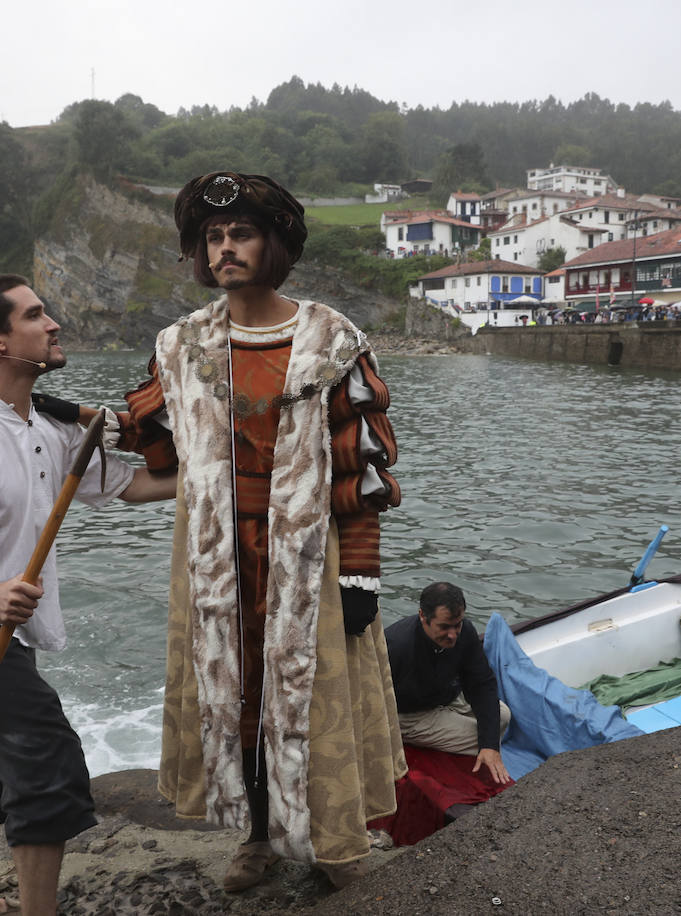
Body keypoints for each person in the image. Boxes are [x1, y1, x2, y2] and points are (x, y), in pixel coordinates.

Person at [116, 171, 407, 892]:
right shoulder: (180, 345)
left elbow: (357, 468)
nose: (225, 248)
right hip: (215, 559)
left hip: (310, 557)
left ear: (274, 243)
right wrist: (94, 431)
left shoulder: (332, 339)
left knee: (320, 699)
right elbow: (164, 457)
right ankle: (255, 837)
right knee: (234, 699)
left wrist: (361, 571)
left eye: (241, 233)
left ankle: (338, 843)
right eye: (213, 237)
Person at [0, 275, 174, 916]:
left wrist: (230, 465)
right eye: (36, 316)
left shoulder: (50, 425)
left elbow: (131, 486)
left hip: (8, 627)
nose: (54, 325)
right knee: (47, 766)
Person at [385, 583, 513, 785]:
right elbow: (371, 702)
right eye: (444, 627)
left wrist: (490, 746)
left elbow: (481, 684)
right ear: (422, 616)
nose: (453, 634)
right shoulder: (397, 645)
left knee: (503, 717)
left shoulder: (466, 633)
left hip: (444, 696)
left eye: (458, 625)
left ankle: (477, 749)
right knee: (479, 738)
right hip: (409, 713)